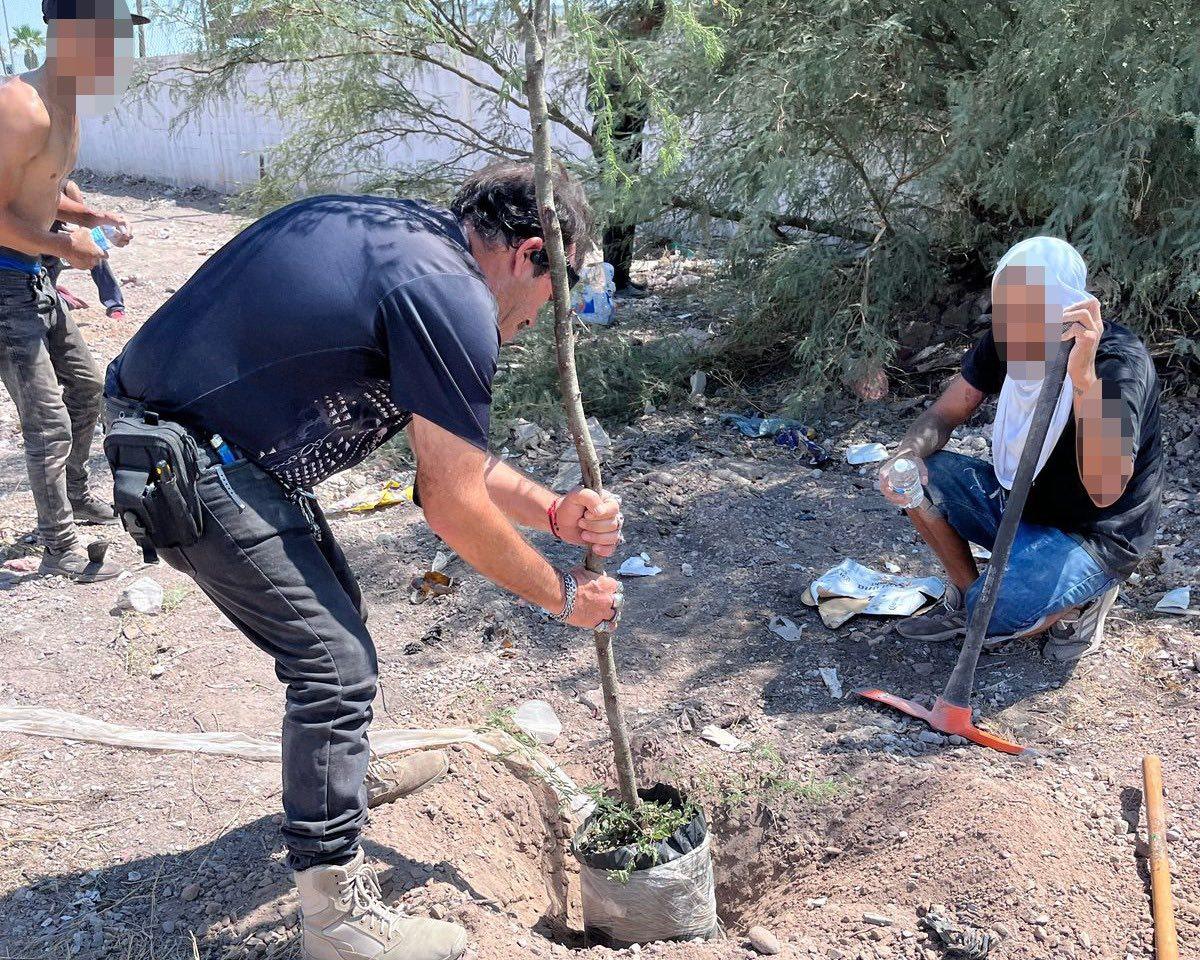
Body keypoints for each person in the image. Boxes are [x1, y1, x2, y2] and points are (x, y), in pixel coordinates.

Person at [105, 161, 624, 960]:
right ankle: (336, 921)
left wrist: (551, 512)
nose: (548, 311)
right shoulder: (452, 297)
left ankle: (337, 784)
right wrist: (562, 596)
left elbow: (447, 467)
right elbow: (450, 505)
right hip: (187, 455)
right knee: (333, 664)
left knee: (338, 614)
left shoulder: (411, 246)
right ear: (528, 254)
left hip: (201, 437)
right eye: (566, 281)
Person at [878, 237, 1162, 662]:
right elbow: (943, 414)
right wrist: (906, 454)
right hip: (1022, 505)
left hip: (1093, 533)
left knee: (995, 615)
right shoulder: (1006, 339)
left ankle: (1083, 598)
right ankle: (969, 596)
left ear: (1065, 306)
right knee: (924, 477)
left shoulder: (1118, 362)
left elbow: (1105, 489)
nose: (1014, 327)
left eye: (1030, 310)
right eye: (1006, 311)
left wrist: (1083, 379)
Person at [0, 0, 146, 582]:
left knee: (87, 393)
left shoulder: (68, 108)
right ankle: (58, 546)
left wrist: (93, 216)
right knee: (46, 420)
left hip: (33, 278)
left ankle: (78, 496)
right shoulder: (20, 107)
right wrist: (66, 249)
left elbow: (37, 192)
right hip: (4, 285)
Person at [57, 178, 128, 319]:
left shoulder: (67, 187)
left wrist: (110, 231)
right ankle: (59, 296)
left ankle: (114, 304)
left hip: (66, 238)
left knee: (97, 258)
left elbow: (84, 219)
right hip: (39, 243)